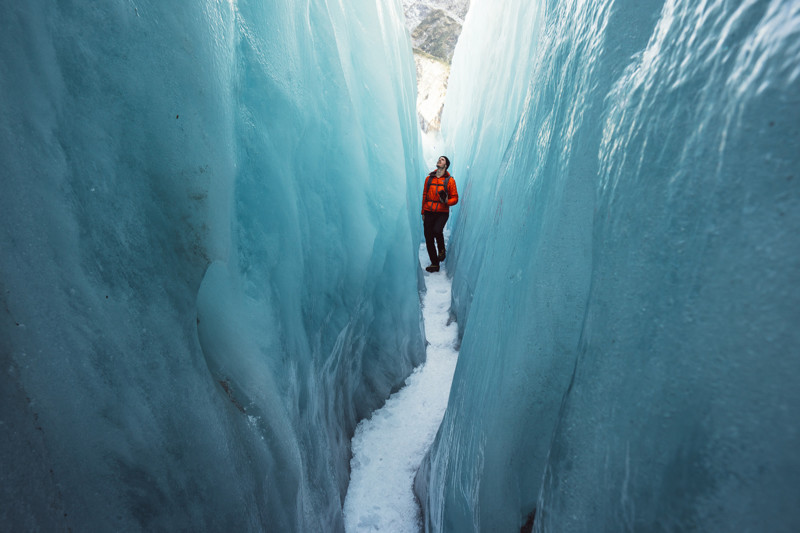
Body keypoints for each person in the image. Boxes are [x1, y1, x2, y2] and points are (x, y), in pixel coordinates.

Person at [421, 156, 458, 272]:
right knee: (428, 237)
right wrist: (423, 212)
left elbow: (455, 198)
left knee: (437, 230)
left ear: (446, 165)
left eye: (442, 160)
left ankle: (441, 250)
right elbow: (424, 195)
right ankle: (434, 264)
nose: (439, 160)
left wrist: (447, 201)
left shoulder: (449, 180)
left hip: (442, 212)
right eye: (439, 159)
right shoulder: (429, 179)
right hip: (429, 211)